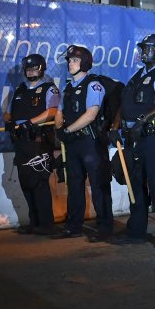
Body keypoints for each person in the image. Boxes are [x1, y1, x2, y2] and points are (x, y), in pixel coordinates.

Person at [111, 34, 155, 250]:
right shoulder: (136, 76)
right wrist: (114, 127)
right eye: (142, 48)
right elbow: (123, 105)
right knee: (136, 185)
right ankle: (136, 231)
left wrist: (143, 120)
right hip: (135, 139)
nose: (143, 52)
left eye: (148, 48)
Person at [52, 45, 115, 243]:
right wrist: (59, 126)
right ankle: (74, 226)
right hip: (73, 143)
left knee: (98, 184)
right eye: (69, 60)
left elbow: (91, 114)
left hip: (91, 142)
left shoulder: (93, 84)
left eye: (75, 60)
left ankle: (105, 227)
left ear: (85, 63)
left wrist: (67, 130)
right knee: (74, 184)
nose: (70, 64)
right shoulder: (68, 87)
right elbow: (59, 112)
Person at [3, 53, 59, 236]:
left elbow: (52, 111)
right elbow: (7, 111)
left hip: (39, 141)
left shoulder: (49, 89)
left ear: (41, 69)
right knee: (25, 182)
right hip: (21, 142)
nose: (31, 71)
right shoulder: (19, 89)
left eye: (34, 68)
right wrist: (9, 121)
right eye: (28, 69)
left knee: (39, 183)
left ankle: (46, 223)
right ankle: (33, 222)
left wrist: (31, 122)